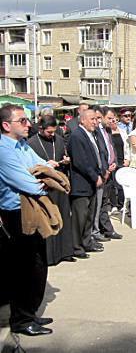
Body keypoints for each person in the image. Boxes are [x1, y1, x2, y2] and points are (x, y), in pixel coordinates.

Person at [0, 105, 54, 336]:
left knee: (39, 265)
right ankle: (21, 320)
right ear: (6, 125)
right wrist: (41, 178)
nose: (28, 124)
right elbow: (31, 183)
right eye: (22, 121)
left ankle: (30, 313)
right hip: (16, 215)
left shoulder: (22, 145)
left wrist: (42, 176)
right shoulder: (4, 150)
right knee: (23, 269)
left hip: (32, 210)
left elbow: (46, 167)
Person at [28, 115, 75, 265]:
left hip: (58, 185)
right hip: (44, 186)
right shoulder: (31, 144)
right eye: (49, 132)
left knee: (64, 217)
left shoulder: (59, 140)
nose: (52, 135)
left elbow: (64, 156)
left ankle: (65, 252)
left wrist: (66, 160)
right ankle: (50, 256)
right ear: (41, 129)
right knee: (48, 219)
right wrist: (46, 164)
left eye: (54, 131)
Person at [67, 109, 106, 258]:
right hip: (82, 184)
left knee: (89, 216)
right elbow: (80, 161)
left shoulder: (91, 135)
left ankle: (86, 242)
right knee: (79, 218)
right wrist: (95, 176)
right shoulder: (77, 136)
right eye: (91, 119)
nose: (95, 122)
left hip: (91, 183)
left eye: (96, 119)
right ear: (82, 120)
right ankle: (76, 247)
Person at [94, 107, 122, 240]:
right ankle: (102, 229)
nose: (112, 121)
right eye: (109, 118)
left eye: (114, 119)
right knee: (101, 202)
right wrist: (105, 169)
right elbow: (100, 151)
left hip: (111, 169)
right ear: (102, 117)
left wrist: (115, 162)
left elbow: (111, 148)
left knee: (106, 201)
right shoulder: (96, 131)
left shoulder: (108, 130)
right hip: (103, 171)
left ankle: (106, 229)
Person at [109, 113, 130, 211]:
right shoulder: (107, 133)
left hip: (122, 160)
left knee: (122, 183)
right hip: (112, 161)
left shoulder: (123, 132)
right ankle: (114, 205)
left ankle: (122, 204)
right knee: (113, 183)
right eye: (111, 120)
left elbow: (127, 147)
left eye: (115, 120)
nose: (113, 122)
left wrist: (127, 159)